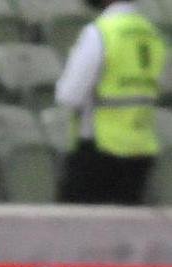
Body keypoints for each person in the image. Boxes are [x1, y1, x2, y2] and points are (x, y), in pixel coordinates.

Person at [55, 0, 166, 204]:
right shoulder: (152, 34)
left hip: (99, 146)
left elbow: (69, 95)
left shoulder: (101, 32)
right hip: (140, 147)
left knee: (77, 221)